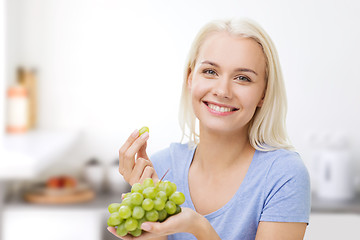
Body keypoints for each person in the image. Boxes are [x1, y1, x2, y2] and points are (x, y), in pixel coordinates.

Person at [108, 18, 311, 240]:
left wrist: (198, 227)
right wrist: (154, 223)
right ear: (190, 78)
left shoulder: (283, 175)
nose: (222, 91)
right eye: (210, 72)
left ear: (263, 93)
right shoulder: (160, 168)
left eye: (242, 78)